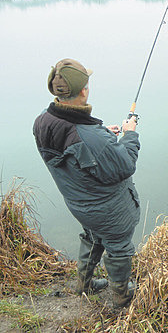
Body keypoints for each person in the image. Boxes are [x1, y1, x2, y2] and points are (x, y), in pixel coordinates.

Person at [33, 58, 141, 308]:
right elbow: (124, 165)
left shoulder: (43, 121)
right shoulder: (89, 138)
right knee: (119, 246)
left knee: (92, 236)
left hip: (79, 204)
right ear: (84, 90)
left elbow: (78, 149)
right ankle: (122, 298)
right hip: (109, 210)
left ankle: (84, 284)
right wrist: (129, 134)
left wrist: (103, 133)